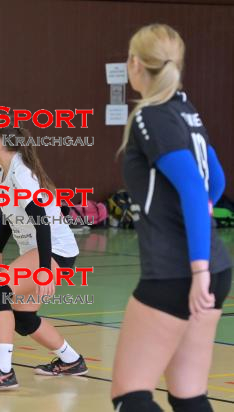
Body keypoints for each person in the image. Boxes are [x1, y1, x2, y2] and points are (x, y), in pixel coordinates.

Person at [111, 24, 232, 412]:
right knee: (188, 394)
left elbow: (197, 191)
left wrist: (196, 273)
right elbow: (217, 182)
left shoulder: (152, 117)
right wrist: (203, 268)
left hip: (175, 273)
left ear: (134, 63)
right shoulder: (185, 111)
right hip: (215, 266)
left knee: (130, 397)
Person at [0, 114, 87, 391]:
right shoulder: (3, 172)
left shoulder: (22, 175)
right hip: (41, 250)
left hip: (54, 251)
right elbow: (10, 216)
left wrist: (45, 272)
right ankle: (71, 360)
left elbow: (42, 222)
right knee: (22, 315)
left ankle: (3, 372)